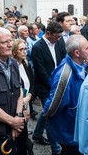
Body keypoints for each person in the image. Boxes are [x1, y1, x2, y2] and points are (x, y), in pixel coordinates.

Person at [44, 35, 88, 155]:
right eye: (87, 48)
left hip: (76, 129)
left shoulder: (80, 66)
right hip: (69, 132)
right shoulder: (65, 74)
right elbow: (51, 107)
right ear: (77, 53)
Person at [31, 21, 63, 155]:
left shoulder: (58, 43)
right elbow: (41, 71)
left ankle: (37, 134)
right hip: (45, 87)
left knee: (46, 112)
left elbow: (62, 61)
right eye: (57, 36)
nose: (59, 39)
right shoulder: (38, 47)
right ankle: (56, 149)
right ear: (48, 33)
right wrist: (54, 87)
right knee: (51, 117)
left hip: (57, 84)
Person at [12, 39, 34, 155]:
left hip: (27, 102)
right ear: (14, 52)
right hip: (18, 107)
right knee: (20, 135)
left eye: (25, 48)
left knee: (24, 131)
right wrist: (23, 105)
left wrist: (29, 96)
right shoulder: (11, 67)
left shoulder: (26, 65)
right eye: (21, 49)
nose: (25, 51)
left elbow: (32, 83)